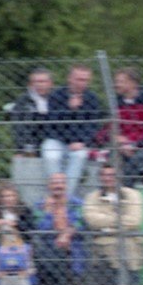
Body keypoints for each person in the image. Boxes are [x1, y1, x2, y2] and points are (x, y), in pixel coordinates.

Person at [45, 64, 103, 195]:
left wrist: (83, 142)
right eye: (79, 79)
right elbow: (52, 123)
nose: (82, 83)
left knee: (80, 155)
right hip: (57, 139)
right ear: (70, 79)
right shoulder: (56, 96)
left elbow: (93, 126)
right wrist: (70, 109)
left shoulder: (92, 98)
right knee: (50, 155)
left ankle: (65, 197)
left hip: (79, 142)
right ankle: (56, 192)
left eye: (86, 80)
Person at [82, 165, 143, 285]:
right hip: (103, 256)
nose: (107, 178)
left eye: (111, 175)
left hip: (129, 255)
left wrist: (106, 226)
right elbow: (92, 220)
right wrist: (120, 221)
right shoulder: (92, 197)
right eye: (104, 175)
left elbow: (135, 221)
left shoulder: (133, 195)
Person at [32, 172, 85, 285]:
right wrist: (48, 212)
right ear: (49, 186)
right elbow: (40, 227)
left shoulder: (77, 203)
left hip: (72, 253)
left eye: (61, 182)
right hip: (47, 256)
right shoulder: (40, 205)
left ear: (66, 185)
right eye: (55, 183)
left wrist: (67, 233)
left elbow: (80, 222)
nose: (58, 186)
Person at [10, 67, 54, 157]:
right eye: (36, 82)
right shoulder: (23, 101)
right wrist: (21, 148)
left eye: (43, 81)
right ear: (30, 84)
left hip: (53, 142)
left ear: (50, 83)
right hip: (30, 144)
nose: (40, 85)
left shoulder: (57, 98)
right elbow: (18, 127)